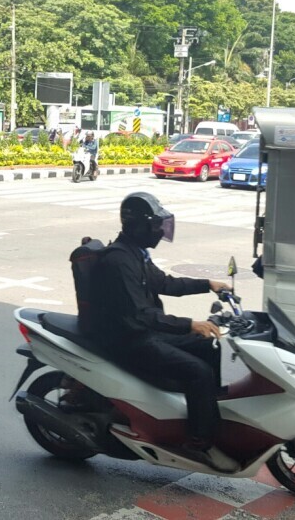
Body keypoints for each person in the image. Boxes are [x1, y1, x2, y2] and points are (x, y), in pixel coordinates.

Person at [83, 192, 235, 471]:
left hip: (143, 331)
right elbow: (142, 315)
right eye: (155, 226)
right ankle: (199, 443)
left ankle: (204, 415)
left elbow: (166, 284)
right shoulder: (119, 261)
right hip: (128, 340)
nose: (159, 232)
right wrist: (190, 324)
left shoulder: (135, 254)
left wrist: (209, 284)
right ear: (139, 227)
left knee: (210, 347)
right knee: (198, 371)